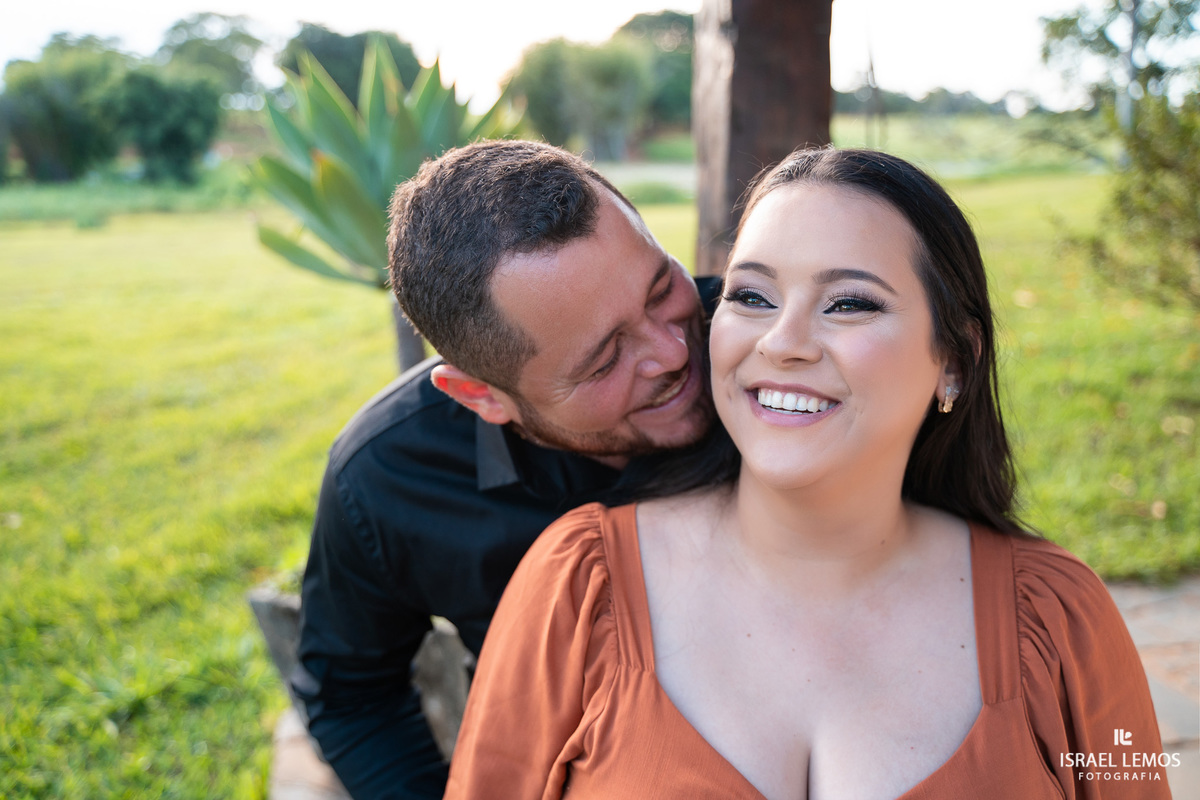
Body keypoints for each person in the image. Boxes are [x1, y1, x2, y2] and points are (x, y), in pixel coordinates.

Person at [445, 148, 1170, 800]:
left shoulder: (1061, 619)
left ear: (954, 359)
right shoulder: (577, 585)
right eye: (752, 295)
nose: (782, 342)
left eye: (849, 303)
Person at [289, 140, 717, 799]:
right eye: (604, 361)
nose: (673, 350)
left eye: (661, 288)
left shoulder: (768, 354)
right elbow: (353, 697)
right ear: (480, 396)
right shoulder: (387, 477)